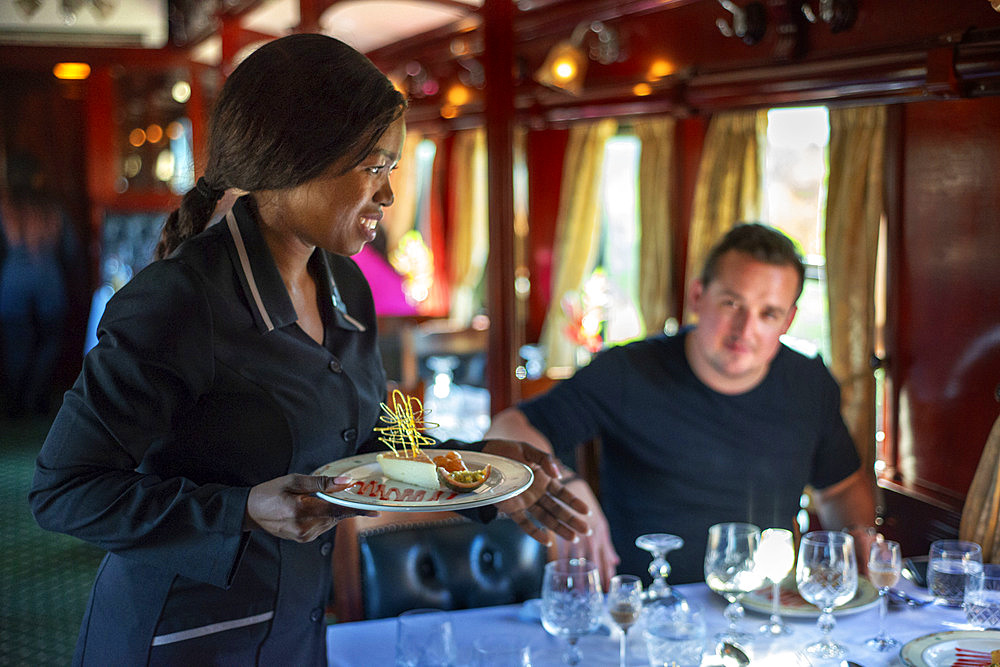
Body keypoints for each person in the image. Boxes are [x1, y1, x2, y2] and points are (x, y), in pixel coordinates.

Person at [29, 34, 587, 667]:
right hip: (180, 640)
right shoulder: (180, 301)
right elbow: (64, 491)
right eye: (372, 166)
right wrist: (240, 511)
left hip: (297, 632)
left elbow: (377, 437)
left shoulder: (345, 285)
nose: (388, 194)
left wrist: (475, 467)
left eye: (393, 168)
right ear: (288, 164)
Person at [486, 223, 876, 587]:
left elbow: (839, 489)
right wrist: (562, 485)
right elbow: (508, 426)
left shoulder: (809, 383)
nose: (745, 330)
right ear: (697, 296)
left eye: (768, 313)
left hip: (766, 607)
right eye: (731, 304)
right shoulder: (628, 370)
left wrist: (860, 540)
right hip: (642, 601)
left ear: (787, 321)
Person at [0, 150, 82, 417]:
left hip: (13, 283)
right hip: (49, 280)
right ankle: (35, 396)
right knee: (51, 339)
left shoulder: (6, 207)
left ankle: (16, 400)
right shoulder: (52, 208)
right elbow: (71, 250)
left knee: (16, 342)